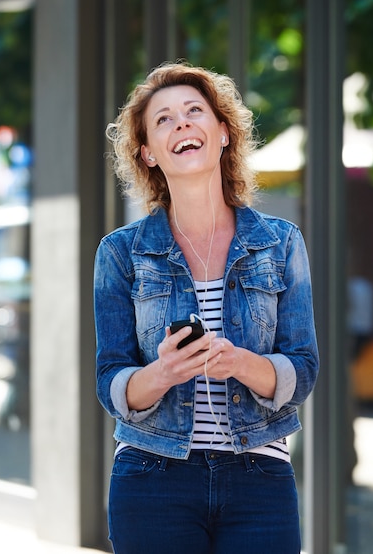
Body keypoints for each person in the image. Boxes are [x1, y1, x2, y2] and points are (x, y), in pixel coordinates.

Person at [94, 62, 319, 554]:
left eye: (195, 111)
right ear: (149, 154)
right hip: (152, 476)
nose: (182, 124)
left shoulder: (280, 243)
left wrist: (240, 362)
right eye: (164, 119)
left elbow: (302, 370)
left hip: (260, 477)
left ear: (222, 132)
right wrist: (165, 372)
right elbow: (111, 380)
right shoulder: (119, 253)